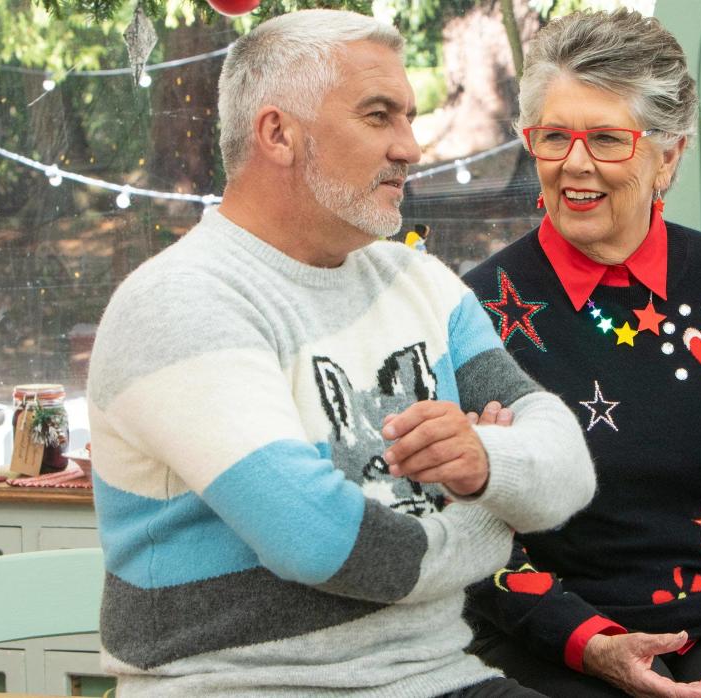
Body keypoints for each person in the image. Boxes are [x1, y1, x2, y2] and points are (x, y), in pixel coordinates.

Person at [87, 10, 596, 697]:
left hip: (441, 678)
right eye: (379, 116)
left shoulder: (418, 282)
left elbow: (570, 471)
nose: (411, 148)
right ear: (278, 134)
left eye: (408, 117)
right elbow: (326, 544)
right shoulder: (181, 303)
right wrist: (491, 517)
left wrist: (483, 462)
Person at [462, 9, 701, 698]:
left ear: (669, 155)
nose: (575, 163)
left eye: (606, 138)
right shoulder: (478, 310)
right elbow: (468, 532)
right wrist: (590, 645)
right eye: (554, 136)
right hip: (545, 645)